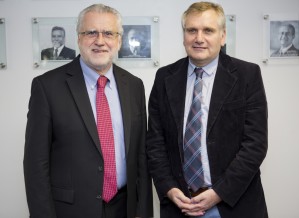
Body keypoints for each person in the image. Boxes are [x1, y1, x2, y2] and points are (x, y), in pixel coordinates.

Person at [24, 4, 153, 218]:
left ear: (119, 40)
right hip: (70, 210)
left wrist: (142, 211)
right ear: (78, 38)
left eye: (108, 33)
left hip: (124, 207)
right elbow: (35, 164)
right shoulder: (47, 87)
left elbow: (141, 156)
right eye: (91, 32)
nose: (100, 41)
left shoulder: (134, 85)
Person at [146, 2, 268, 218]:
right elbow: (156, 143)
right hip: (179, 204)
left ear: (222, 36)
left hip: (234, 204)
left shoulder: (247, 75)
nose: (199, 38)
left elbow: (255, 144)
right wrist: (168, 188)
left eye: (208, 30)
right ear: (184, 35)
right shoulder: (165, 77)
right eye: (191, 30)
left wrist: (219, 192)